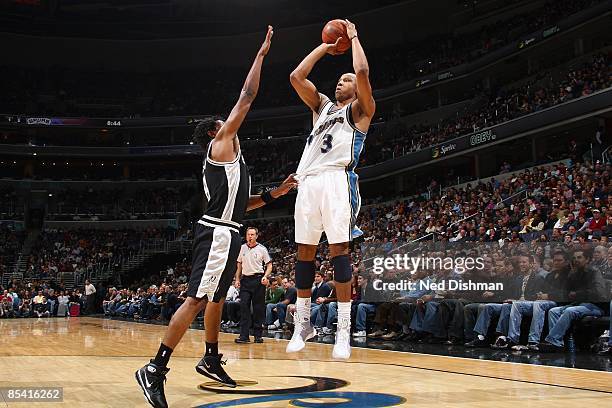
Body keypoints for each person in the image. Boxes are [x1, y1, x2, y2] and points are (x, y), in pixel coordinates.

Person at [135, 26, 297, 408]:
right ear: (214, 131)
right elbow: (248, 96)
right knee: (195, 301)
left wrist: (276, 193)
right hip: (217, 235)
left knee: (218, 299)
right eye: (222, 122)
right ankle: (154, 369)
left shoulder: (235, 164)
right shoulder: (220, 144)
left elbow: (244, 206)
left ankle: (209, 357)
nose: (232, 123)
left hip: (230, 230)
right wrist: (261, 55)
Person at [287, 19, 375, 360]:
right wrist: (326, 46)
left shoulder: (362, 111)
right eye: (339, 80)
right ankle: (303, 323)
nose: (342, 82)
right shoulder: (322, 107)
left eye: (346, 80)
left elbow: (363, 71)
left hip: (337, 181)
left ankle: (342, 331)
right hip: (307, 182)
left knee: (340, 251)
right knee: (304, 254)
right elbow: (296, 76)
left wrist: (352, 38)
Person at [234, 227, 272, 344]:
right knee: (244, 306)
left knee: (258, 308)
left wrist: (266, 276)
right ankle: (244, 336)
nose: (250, 237)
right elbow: (239, 265)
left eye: (252, 234)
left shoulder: (262, 249)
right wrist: (237, 279)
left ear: (256, 236)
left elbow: (269, 265)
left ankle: (258, 335)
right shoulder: (242, 248)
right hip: (245, 280)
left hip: (258, 280)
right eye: (248, 234)